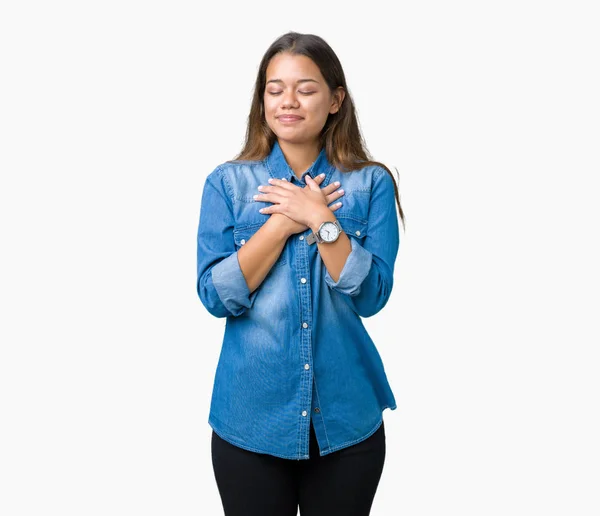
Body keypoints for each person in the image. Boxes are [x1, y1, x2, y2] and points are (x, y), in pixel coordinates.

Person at [196, 31, 405, 516]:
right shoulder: (227, 183)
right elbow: (214, 296)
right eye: (275, 89)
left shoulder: (370, 183)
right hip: (249, 420)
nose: (288, 101)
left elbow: (372, 295)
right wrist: (286, 221)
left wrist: (323, 221)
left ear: (335, 100)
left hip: (346, 421)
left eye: (305, 88)